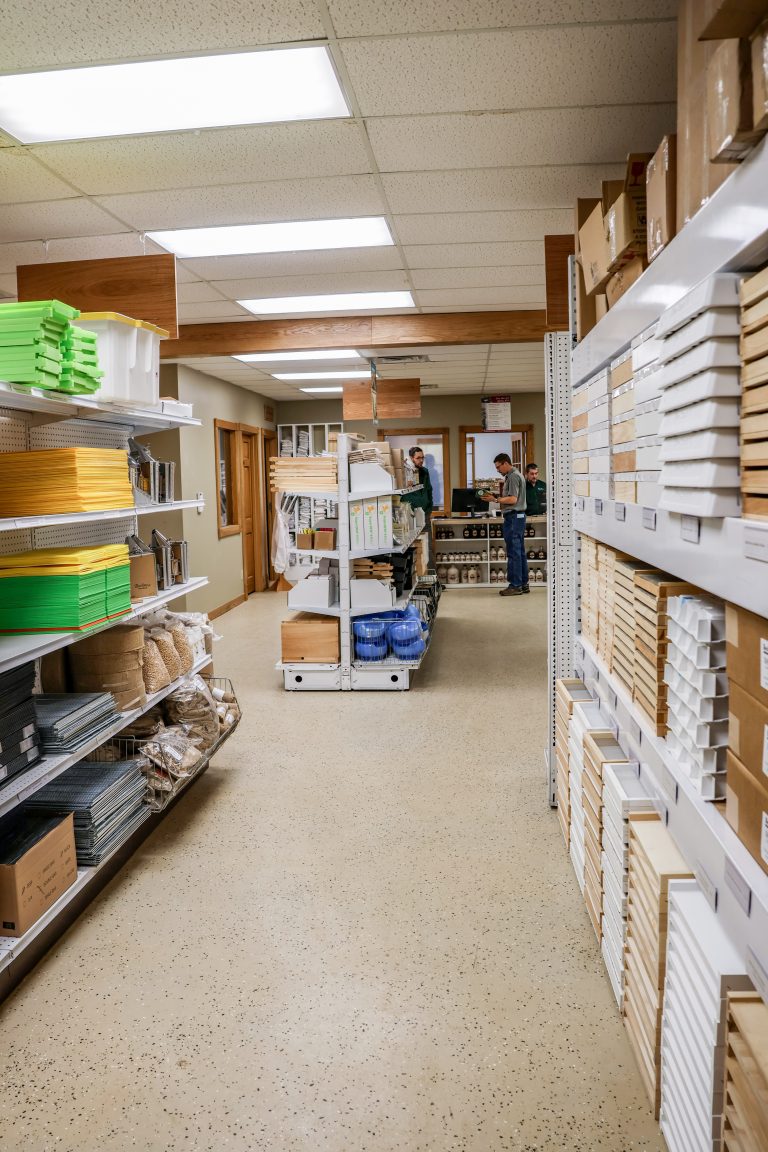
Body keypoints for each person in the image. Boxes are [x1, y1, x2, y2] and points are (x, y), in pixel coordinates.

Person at [480, 452, 528, 596]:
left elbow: (513, 500)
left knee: (514, 552)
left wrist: (495, 500)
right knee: (519, 552)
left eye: (498, 467)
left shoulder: (513, 476)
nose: (497, 470)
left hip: (514, 517)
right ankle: (523, 584)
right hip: (518, 517)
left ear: (506, 463)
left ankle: (515, 585)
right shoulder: (514, 475)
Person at [401, 446, 434, 564]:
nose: (421, 460)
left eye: (422, 457)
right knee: (411, 548)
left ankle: (431, 576)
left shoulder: (425, 472)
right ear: (411, 458)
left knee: (428, 547)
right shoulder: (405, 472)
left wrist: (429, 509)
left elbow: (429, 490)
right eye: (418, 458)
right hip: (410, 515)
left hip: (424, 514)